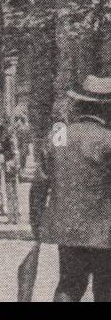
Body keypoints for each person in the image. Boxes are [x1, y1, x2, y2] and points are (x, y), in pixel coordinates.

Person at [31, 74, 111, 302]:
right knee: (106, 289)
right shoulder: (107, 140)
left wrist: (36, 222)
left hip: (66, 228)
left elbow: (39, 182)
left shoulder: (59, 134)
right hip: (104, 232)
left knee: (69, 285)